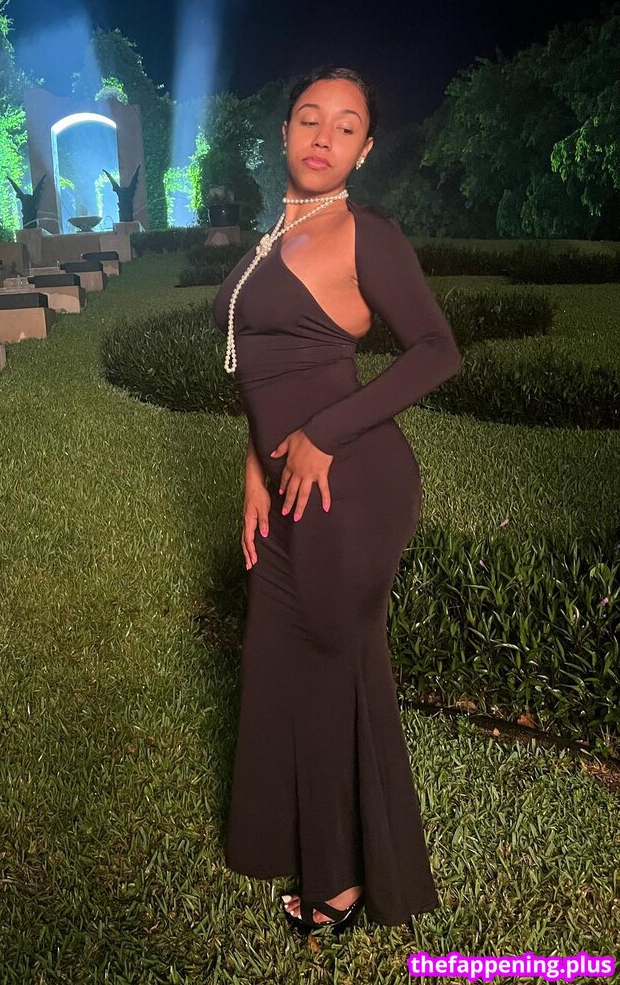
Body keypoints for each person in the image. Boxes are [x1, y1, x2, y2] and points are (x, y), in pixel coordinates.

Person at [211, 66, 461, 936]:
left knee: (332, 664)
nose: (323, 136)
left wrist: (322, 434)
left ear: (365, 148)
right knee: (277, 659)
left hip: (351, 482)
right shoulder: (272, 235)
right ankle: (288, 838)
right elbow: (264, 373)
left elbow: (437, 350)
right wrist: (256, 463)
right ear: (284, 131)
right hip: (285, 484)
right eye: (309, 118)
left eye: (345, 126)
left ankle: (350, 879)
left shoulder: (367, 234)